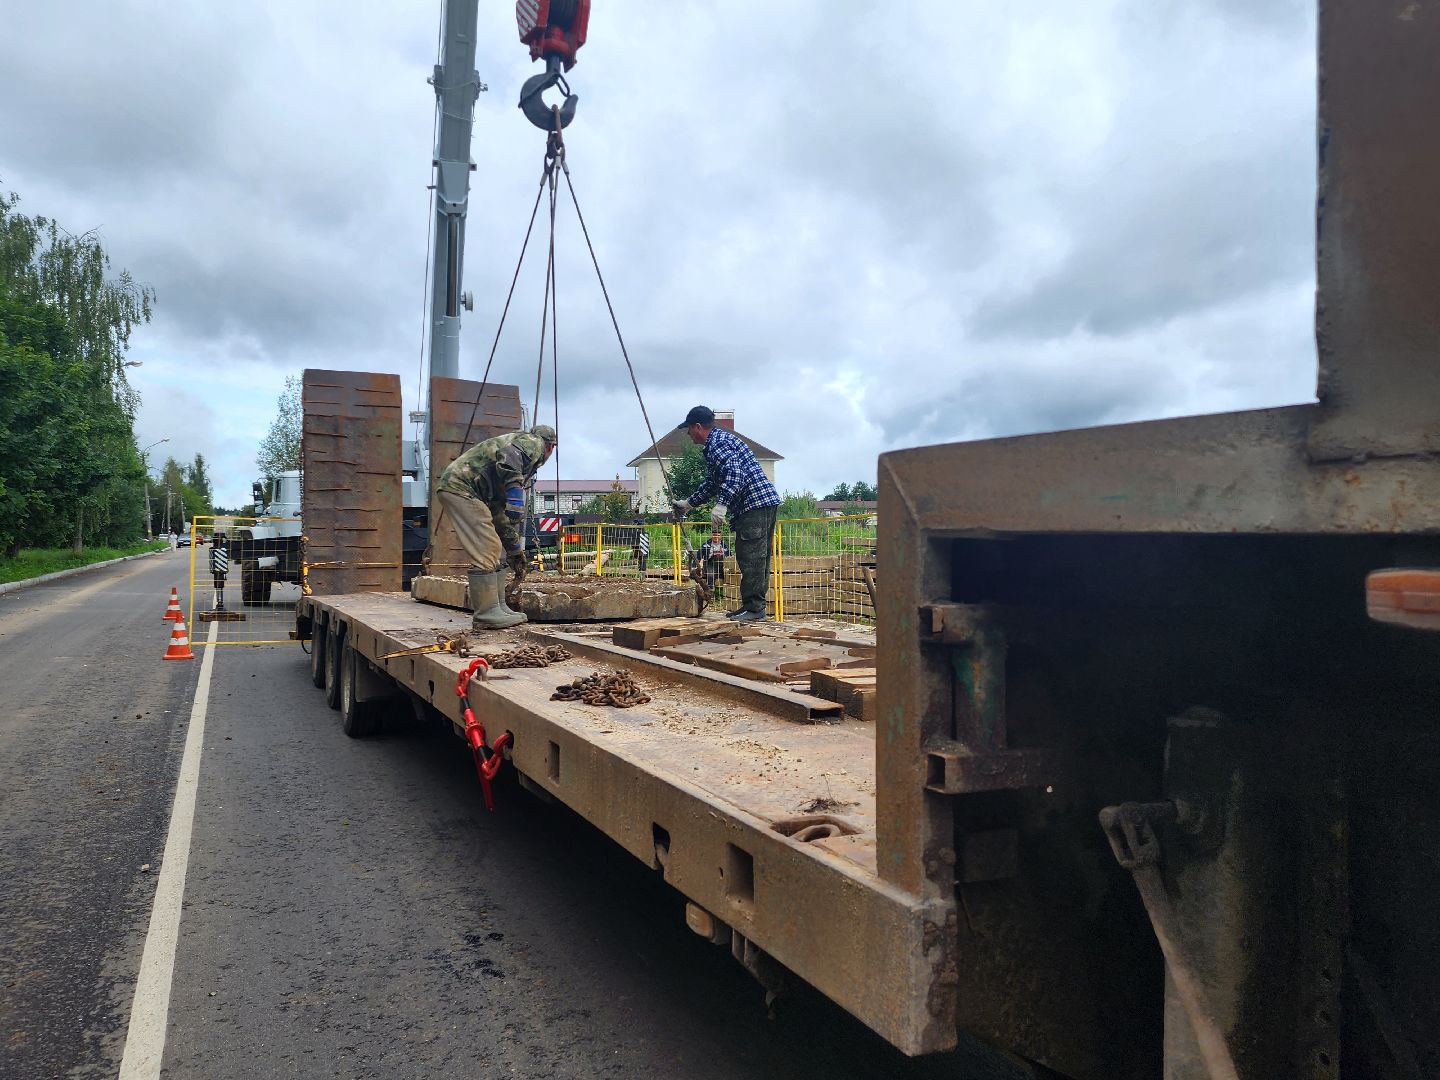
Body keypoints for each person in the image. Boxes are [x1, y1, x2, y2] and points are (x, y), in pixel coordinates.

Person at [437, 424, 557, 629]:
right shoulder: (533, 443)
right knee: (487, 545)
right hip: (460, 487)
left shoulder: (510, 466)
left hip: (462, 488)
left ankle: (498, 606)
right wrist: (515, 492)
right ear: (551, 447)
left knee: (496, 547)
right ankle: (486, 613)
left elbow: (499, 515)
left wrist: (514, 551)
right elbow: (510, 455)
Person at [671, 405, 780, 622]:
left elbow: (734, 473)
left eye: (689, 429)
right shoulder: (716, 443)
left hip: (755, 504)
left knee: (752, 557)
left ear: (698, 427)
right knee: (750, 555)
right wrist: (688, 503)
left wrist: (722, 505)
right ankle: (751, 606)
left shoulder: (718, 444)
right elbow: (712, 483)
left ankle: (755, 609)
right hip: (759, 504)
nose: (688, 434)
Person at [698, 529, 729, 603]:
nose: (716, 537)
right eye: (715, 535)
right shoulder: (706, 544)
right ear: (712, 535)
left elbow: (729, 555)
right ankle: (710, 596)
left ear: (721, 536)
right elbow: (699, 555)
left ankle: (724, 596)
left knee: (728, 575)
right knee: (710, 575)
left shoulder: (724, 544)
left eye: (718, 535)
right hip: (710, 564)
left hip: (722, 564)